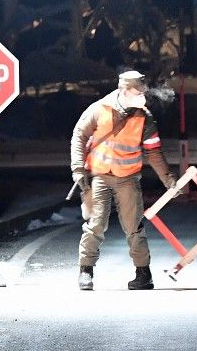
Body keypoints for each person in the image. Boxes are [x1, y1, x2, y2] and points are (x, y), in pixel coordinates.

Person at [70, 70, 178, 291]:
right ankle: (85, 272)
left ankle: (143, 275)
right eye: (138, 92)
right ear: (125, 90)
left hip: (127, 178)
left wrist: (169, 180)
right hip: (100, 176)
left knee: (133, 227)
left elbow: (154, 152)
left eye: (143, 91)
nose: (143, 96)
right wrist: (78, 169)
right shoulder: (99, 109)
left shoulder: (144, 117)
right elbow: (79, 135)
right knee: (95, 224)